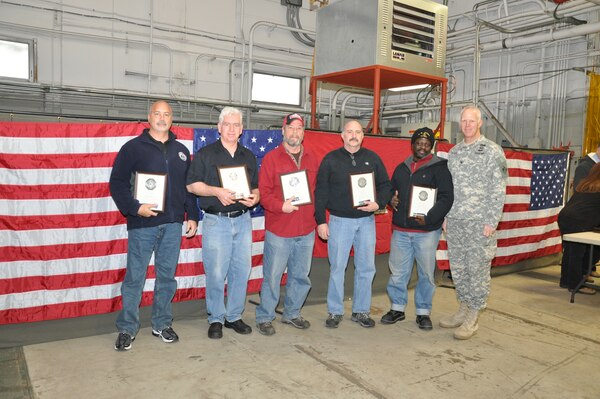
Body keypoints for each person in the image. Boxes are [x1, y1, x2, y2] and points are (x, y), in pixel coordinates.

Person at [109, 100, 199, 351]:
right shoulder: (132, 148)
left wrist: (192, 215)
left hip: (172, 224)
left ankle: (161, 323)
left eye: (166, 114)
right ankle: (127, 328)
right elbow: (116, 183)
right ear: (149, 117)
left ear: (172, 119)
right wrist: (135, 207)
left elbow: (188, 188)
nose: (162, 118)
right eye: (157, 114)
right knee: (135, 278)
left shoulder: (181, 150)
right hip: (142, 224)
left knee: (166, 278)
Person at [186, 106, 260, 339]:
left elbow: (255, 187)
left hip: (242, 221)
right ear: (219, 128)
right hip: (216, 222)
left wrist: (255, 197)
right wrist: (216, 191)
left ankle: (234, 316)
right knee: (216, 272)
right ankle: (216, 317)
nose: (231, 129)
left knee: (241, 270)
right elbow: (191, 185)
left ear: (241, 130)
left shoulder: (247, 156)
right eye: (227, 124)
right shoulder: (206, 153)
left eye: (236, 125)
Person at [315, 120, 392, 329]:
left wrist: (378, 203)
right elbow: (320, 192)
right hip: (339, 222)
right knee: (338, 268)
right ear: (342, 135)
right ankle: (335, 311)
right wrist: (321, 221)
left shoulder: (372, 159)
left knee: (366, 268)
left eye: (358, 132)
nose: (353, 135)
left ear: (363, 136)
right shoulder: (330, 160)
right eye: (349, 132)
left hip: (367, 221)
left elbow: (386, 185)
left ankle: (361, 311)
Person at [441, 104, 507, 340]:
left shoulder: (492, 151)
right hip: (456, 221)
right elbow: (449, 189)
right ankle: (463, 308)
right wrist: (446, 216)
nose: (467, 125)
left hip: (480, 223)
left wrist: (491, 221)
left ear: (480, 123)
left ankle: (473, 317)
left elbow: (498, 189)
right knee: (459, 270)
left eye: (472, 121)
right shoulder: (455, 152)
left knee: (477, 270)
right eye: (464, 121)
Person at [381, 127, 454, 331]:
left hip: (427, 233)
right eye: (419, 143)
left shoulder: (440, 168)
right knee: (398, 272)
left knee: (426, 274)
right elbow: (389, 187)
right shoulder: (402, 167)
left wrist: (430, 217)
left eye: (426, 144)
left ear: (431, 146)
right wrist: (390, 199)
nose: (422, 147)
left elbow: (447, 197)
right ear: (412, 144)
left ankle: (423, 312)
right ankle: (397, 308)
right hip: (401, 231)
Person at [254, 113, 318, 336]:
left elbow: (317, 191)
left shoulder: (312, 157)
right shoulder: (272, 158)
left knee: (301, 275)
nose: (294, 133)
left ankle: (292, 313)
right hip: (280, 228)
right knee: (272, 276)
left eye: (299, 129)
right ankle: (264, 316)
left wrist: (318, 220)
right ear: (283, 131)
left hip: (306, 229)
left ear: (303, 133)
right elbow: (264, 193)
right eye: (291, 128)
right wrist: (281, 206)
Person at [558, 163, 600, 295]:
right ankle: (575, 285)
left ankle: (566, 281)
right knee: (577, 252)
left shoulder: (586, 183)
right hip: (579, 220)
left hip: (565, 216)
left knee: (569, 251)